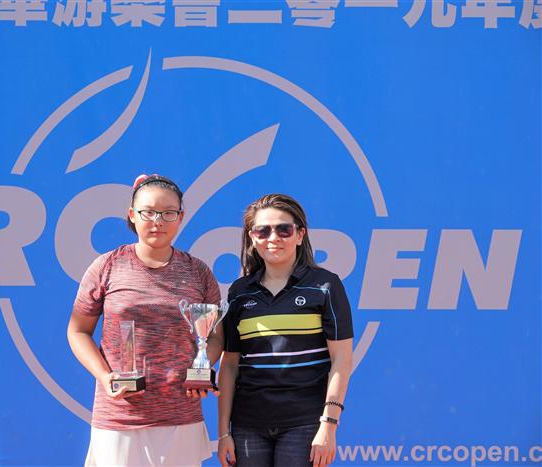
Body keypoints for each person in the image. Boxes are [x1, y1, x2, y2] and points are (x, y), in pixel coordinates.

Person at [67, 174, 223, 467]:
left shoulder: (199, 272)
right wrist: (104, 376)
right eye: (148, 212)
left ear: (181, 217)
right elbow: (78, 331)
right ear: (132, 215)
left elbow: (214, 337)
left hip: (181, 416)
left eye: (168, 213)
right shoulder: (106, 266)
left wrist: (202, 367)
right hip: (119, 416)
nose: (158, 221)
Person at [217, 194, 353, 467]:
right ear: (252, 238)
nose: (273, 238)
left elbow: (342, 360)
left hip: (305, 424)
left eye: (283, 229)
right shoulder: (239, 292)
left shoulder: (325, 286)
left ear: (300, 235)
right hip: (247, 425)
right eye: (263, 230)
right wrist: (223, 433)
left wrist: (328, 425)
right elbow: (230, 364)